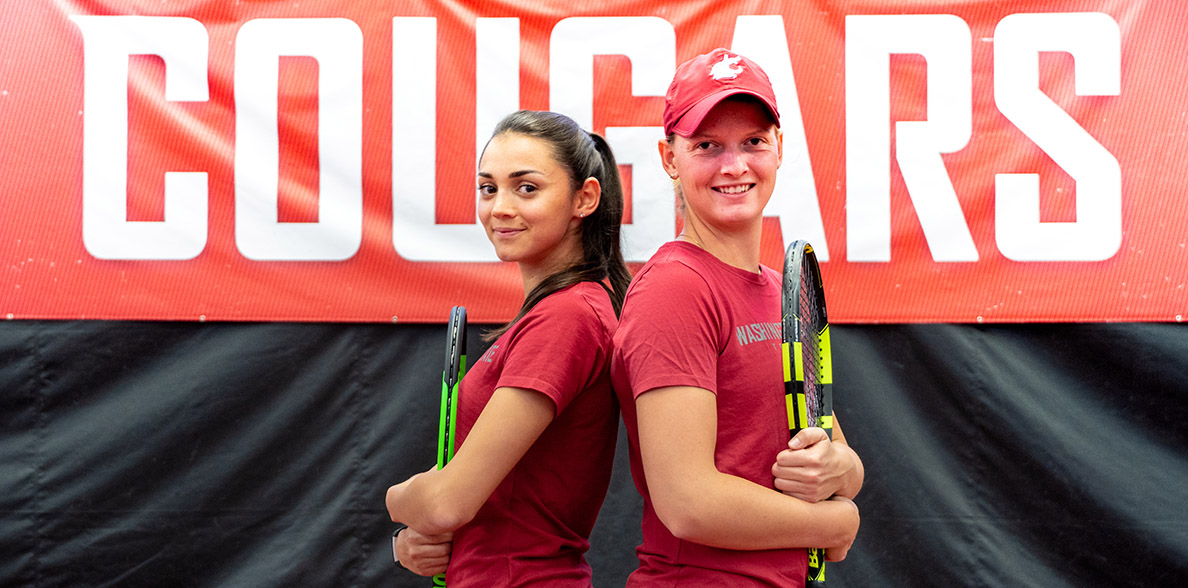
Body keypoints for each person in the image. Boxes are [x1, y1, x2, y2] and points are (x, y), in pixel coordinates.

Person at [610, 48, 865, 586]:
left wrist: (843, 470)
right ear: (669, 158)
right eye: (707, 145)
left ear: (779, 148)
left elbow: (834, 447)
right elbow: (688, 503)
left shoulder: (779, 290)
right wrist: (836, 521)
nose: (734, 166)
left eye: (753, 142)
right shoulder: (675, 289)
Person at [385, 110, 631, 587]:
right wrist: (409, 543)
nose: (499, 207)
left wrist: (394, 498)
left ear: (585, 198)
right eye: (488, 188)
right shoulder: (561, 311)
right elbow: (463, 489)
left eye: (527, 188)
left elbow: (448, 502)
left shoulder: (568, 317)